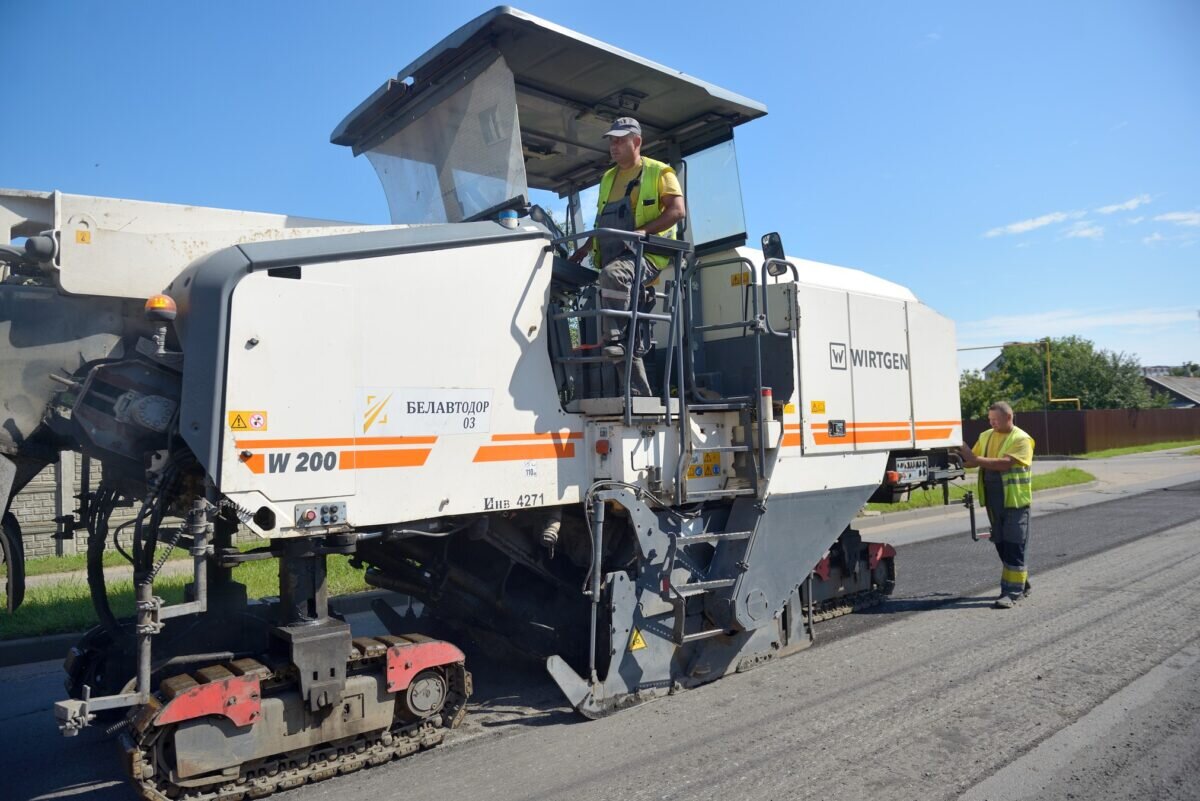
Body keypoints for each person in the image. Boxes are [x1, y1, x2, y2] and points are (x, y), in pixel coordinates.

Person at [569, 117, 686, 396]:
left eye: (620, 140)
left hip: (648, 255)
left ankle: (618, 339)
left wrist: (642, 232)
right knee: (607, 298)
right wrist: (584, 249)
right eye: (611, 140)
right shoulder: (608, 178)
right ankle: (635, 388)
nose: (614, 145)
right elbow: (601, 221)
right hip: (613, 255)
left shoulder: (660, 172)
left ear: (637, 142)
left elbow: (677, 211)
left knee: (613, 279)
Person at [959, 401, 1035, 609]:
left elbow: (1004, 464)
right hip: (994, 501)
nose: (992, 423)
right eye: (990, 419)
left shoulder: (1021, 439)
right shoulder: (986, 435)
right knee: (1001, 543)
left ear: (1009, 418)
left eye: (996, 420)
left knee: (1014, 544)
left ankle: (1010, 593)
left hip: (1015, 501)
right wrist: (958, 457)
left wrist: (973, 457)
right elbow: (973, 461)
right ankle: (1021, 584)